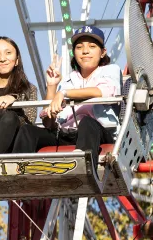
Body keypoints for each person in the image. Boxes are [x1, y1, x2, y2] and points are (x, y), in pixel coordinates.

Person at [11, 26, 122, 169]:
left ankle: (82, 166)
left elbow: (102, 91)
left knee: (87, 122)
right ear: (74, 53)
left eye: (92, 46)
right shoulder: (67, 81)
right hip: (66, 134)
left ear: (103, 52)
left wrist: (64, 93)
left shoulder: (110, 70)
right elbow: (49, 123)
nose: (85, 51)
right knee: (27, 130)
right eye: (79, 47)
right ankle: (17, 171)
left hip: (96, 133)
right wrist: (52, 86)